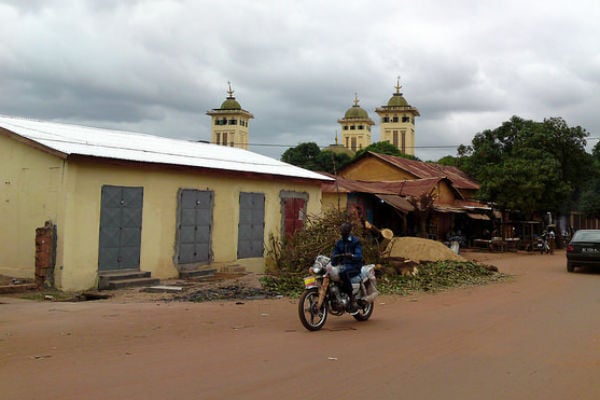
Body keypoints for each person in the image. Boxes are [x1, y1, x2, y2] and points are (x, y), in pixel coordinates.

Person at [331, 222, 363, 314]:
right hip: (342, 266)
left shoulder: (355, 241)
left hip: (354, 266)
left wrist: (352, 255)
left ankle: (352, 299)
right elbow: (334, 253)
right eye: (341, 230)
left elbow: (359, 255)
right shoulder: (339, 243)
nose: (342, 232)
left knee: (343, 272)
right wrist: (333, 259)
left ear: (349, 231)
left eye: (344, 230)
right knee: (331, 272)